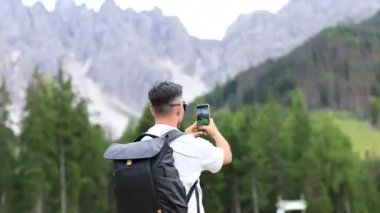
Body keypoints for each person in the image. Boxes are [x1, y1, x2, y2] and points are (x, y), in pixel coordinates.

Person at [143, 81, 232, 213]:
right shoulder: (194, 147)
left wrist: (183, 136)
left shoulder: (140, 144)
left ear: (152, 111)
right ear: (179, 109)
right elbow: (226, 156)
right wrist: (215, 132)